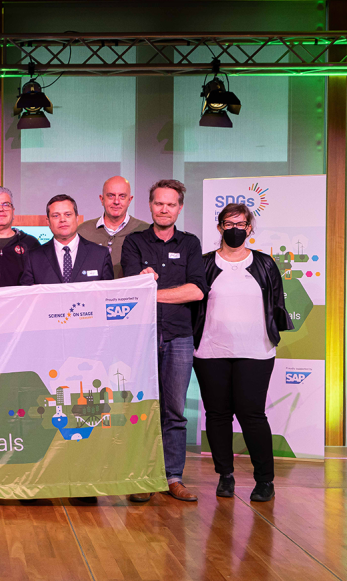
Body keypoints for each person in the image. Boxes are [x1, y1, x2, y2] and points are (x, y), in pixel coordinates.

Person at [193, 203, 292, 503]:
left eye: (241, 224)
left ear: (250, 228)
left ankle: (265, 481)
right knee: (218, 415)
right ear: (220, 227)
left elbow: (276, 304)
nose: (235, 229)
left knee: (252, 414)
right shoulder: (204, 263)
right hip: (210, 351)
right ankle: (225, 475)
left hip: (256, 351)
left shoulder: (264, 263)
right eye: (229, 223)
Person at [122, 179, 207, 503]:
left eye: (171, 204)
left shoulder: (190, 243)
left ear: (179, 208)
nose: (164, 209)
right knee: (141, 409)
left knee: (174, 411)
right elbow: (131, 288)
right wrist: (159, 291)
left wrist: (153, 293)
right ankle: (142, 475)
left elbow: (197, 290)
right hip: (141, 338)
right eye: (159, 203)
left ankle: (173, 477)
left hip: (179, 338)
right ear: (150, 205)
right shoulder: (134, 243)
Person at [20, 194, 113, 285]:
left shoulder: (100, 255)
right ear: (48, 221)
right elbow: (26, 297)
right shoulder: (33, 258)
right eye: (56, 216)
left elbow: (108, 296)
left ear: (77, 218)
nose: (62, 219)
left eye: (68, 214)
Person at [77, 176, 149, 278]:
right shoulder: (83, 231)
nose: (116, 201)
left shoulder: (145, 231)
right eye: (111, 196)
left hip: (130, 293)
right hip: (93, 293)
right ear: (102, 199)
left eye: (122, 196)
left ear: (130, 200)